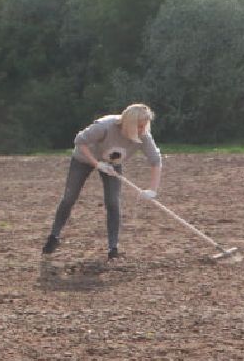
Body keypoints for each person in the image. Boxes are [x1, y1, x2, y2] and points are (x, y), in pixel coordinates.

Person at [42, 104, 162, 260]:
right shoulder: (105, 126)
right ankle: (54, 236)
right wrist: (97, 164)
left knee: (113, 202)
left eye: (144, 126)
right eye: (139, 126)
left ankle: (113, 248)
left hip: (112, 164)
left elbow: (156, 161)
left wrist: (152, 189)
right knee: (69, 198)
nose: (142, 130)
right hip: (83, 159)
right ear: (129, 124)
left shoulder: (143, 136)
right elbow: (80, 141)